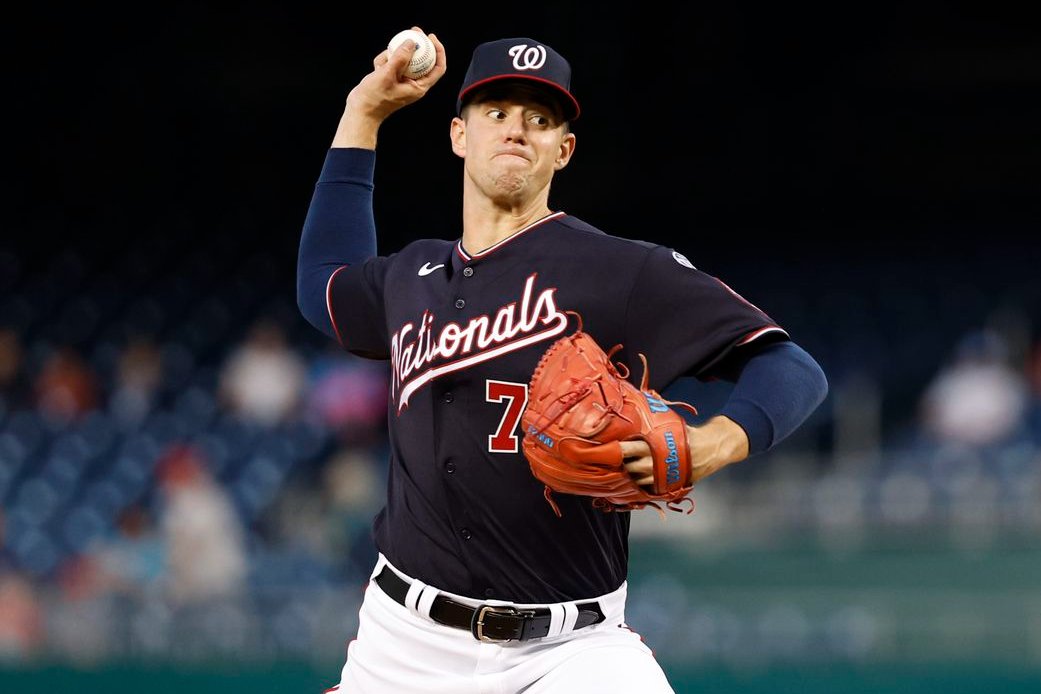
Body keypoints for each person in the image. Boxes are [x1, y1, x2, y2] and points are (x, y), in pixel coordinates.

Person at [296, 28, 828, 693]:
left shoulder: (621, 271)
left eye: (539, 120)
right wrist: (363, 113)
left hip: (570, 650)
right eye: (496, 113)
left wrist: (714, 442)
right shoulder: (409, 276)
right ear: (459, 135)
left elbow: (791, 368)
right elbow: (324, 284)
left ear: (563, 150)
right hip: (401, 644)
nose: (516, 130)